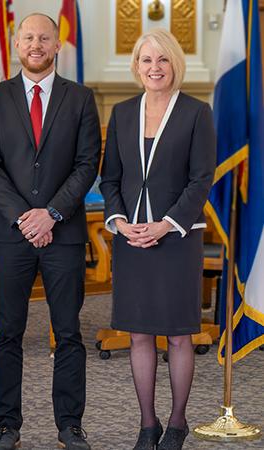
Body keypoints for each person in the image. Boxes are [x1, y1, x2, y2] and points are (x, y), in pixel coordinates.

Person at [0, 13, 101, 450]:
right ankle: (6, 425)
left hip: (63, 233)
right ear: (16, 44)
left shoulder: (81, 97)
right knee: (7, 332)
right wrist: (26, 217)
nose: (36, 44)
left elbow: (88, 164)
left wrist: (51, 214)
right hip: (10, 234)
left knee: (68, 332)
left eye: (44, 38)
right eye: (28, 37)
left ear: (56, 44)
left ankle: (70, 424)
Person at [100, 28, 216, 450]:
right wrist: (118, 221)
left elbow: (201, 179)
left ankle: (178, 422)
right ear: (137, 66)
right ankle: (147, 425)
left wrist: (166, 224)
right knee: (139, 334)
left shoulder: (196, 113)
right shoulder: (123, 113)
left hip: (176, 239)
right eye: (147, 61)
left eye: (162, 60)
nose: (155, 68)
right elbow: (110, 176)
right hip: (131, 240)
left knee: (180, 334)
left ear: (174, 65)